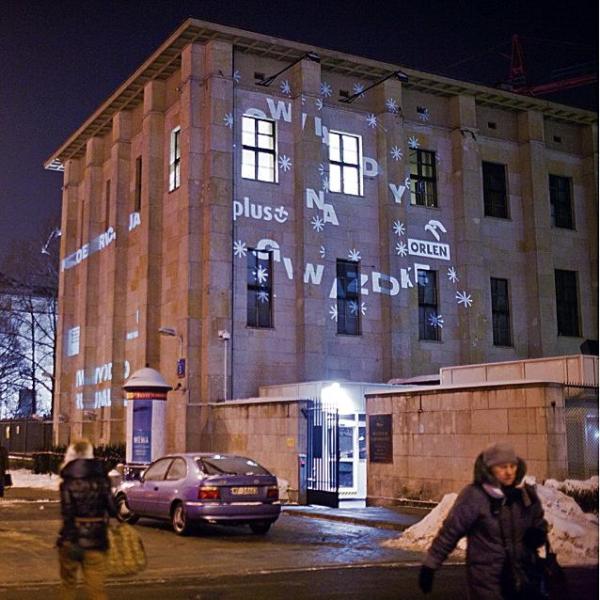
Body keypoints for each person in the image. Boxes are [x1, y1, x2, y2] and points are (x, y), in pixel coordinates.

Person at [418, 442, 548, 599]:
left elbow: (539, 524)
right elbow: (450, 532)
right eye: (502, 467)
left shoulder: (525, 497)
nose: (509, 472)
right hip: (487, 581)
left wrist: (538, 534)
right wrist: (430, 565)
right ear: (490, 469)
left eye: (512, 466)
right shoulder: (475, 496)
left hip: (523, 578)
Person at [57, 439, 117, 600]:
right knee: (96, 588)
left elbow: (67, 514)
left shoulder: (67, 482)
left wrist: (66, 539)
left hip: (71, 540)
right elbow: (113, 510)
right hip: (96, 540)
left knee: (68, 584)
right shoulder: (103, 480)